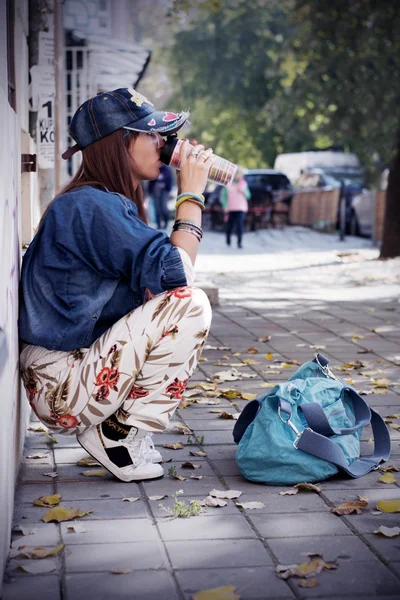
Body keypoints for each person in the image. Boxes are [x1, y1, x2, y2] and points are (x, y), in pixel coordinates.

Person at [19, 88, 213, 482]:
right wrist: (191, 194)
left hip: (68, 377)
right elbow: (180, 273)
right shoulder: (89, 206)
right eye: (151, 134)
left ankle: (117, 431)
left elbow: (158, 284)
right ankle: (117, 435)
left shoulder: (98, 203)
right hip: (61, 383)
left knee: (175, 303)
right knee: (190, 305)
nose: (163, 144)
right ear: (120, 143)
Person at [221, 167, 251, 248]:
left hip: (241, 208)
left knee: (239, 225)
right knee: (229, 225)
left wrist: (244, 191)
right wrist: (225, 206)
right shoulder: (228, 184)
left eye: (239, 174)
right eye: (236, 174)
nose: (238, 176)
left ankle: (239, 242)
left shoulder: (244, 184)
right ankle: (228, 240)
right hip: (231, 208)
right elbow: (224, 196)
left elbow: (248, 196)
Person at [148, 163, 173, 229]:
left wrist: (169, 190)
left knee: (164, 208)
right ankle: (158, 224)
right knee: (157, 209)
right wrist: (149, 191)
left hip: (164, 191)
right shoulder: (154, 169)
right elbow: (151, 182)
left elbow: (170, 181)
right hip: (155, 191)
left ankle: (166, 223)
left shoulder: (167, 170)